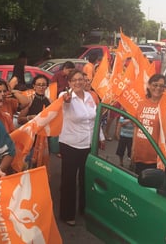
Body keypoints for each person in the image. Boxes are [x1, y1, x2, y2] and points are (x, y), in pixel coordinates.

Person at [58, 69, 104, 226]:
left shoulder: (90, 96)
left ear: (85, 82)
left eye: (81, 80)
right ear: (69, 82)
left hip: (88, 145)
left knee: (86, 178)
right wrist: (67, 99)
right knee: (69, 181)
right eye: (74, 80)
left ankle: (84, 209)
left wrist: (101, 137)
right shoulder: (65, 96)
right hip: (70, 145)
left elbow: (94, 119)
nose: (78, 82)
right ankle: (66, 214)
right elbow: (64, 103)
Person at [132, 74, 166, 175]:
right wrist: (133, 152)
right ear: (149, 86)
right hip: (140, 157)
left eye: (161, 86)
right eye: (155, 85)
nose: (158, 88)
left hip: (158, 159)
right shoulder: (141, 103)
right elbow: (136, 129)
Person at [17, 74, 51, 169]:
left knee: (40, 168)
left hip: (44, 141)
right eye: (39, 84)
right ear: (34, 86)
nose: (41, 87)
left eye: (43, 85)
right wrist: (30, 118)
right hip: (30, 140)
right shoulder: (30, 100)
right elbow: (20, 119)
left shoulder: (49, 101)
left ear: (47, 86)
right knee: (27, 167)